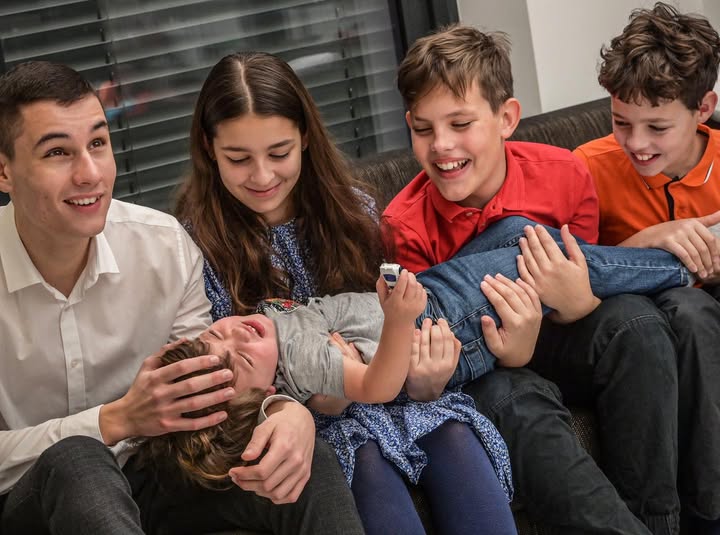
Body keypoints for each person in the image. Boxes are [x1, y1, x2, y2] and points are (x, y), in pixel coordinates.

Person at [0, 60, 364, 535]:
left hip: (155, 475)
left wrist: (283, 410)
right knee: (77, 460)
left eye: (97, 144)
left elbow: (213, 385)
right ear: (4, 171)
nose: (89, 173)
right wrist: (116, 419)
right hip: (30, 500)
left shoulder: (164, 246)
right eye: (57, 153)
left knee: (300, 456)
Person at [175, 51, 519, 535]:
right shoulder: (194, 250)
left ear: (305, 138)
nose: (262, 176)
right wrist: (300, 405)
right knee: (365, 460)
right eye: (238, 159)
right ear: (210, 149)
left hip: (396, 392)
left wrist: (423, 380)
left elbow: (388, 328)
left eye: (279, 153)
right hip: (313, 422)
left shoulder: (353, 211)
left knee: (454, 435)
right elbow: (216, 384)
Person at [382, 23, 684, 535]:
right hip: (490, 369)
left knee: (637, 322)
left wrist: (576, 304)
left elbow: (589, 283)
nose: (442, 145)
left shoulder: (564, 173)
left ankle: (659, 523)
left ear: (507, 118)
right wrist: (512, 351)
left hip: (564, 334)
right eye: (424, 129)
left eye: (460, 123)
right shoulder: (404, 225)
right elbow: (437, 353)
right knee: (513, 399)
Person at [573, 3, 720, 533]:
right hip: (640, 331)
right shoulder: (587, 168)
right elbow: (571, 276)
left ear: (704, 108)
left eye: (657, 127)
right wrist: (650, 242)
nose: (636, 143)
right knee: (686, 310)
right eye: (620, 123)